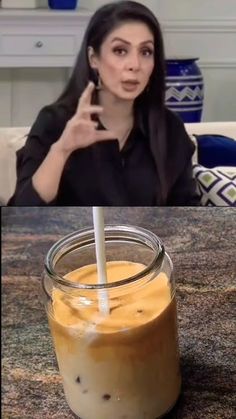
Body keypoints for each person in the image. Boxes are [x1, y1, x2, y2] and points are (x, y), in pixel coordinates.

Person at [8, 0, 200, 206]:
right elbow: (21, 216)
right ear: (94, 58)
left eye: (145, 52)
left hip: (150, 239)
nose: (135, 65)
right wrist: (62, 149)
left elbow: (187, 216)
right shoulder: (55, 122)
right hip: (74, 239)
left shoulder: (169, 128)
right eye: (120, 51)